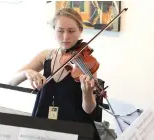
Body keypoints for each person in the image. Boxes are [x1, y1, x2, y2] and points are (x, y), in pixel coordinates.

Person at [8, 8, 101, 139]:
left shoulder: (86, 63)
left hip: (76, 131)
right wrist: (27, 73)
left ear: (80, 30)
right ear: (54, 30)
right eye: (60, 30)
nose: (65, 37)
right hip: (43, 128)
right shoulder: (46, 56)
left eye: (71, 31)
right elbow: (11, 81)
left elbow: (89, 109)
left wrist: (86, 93)